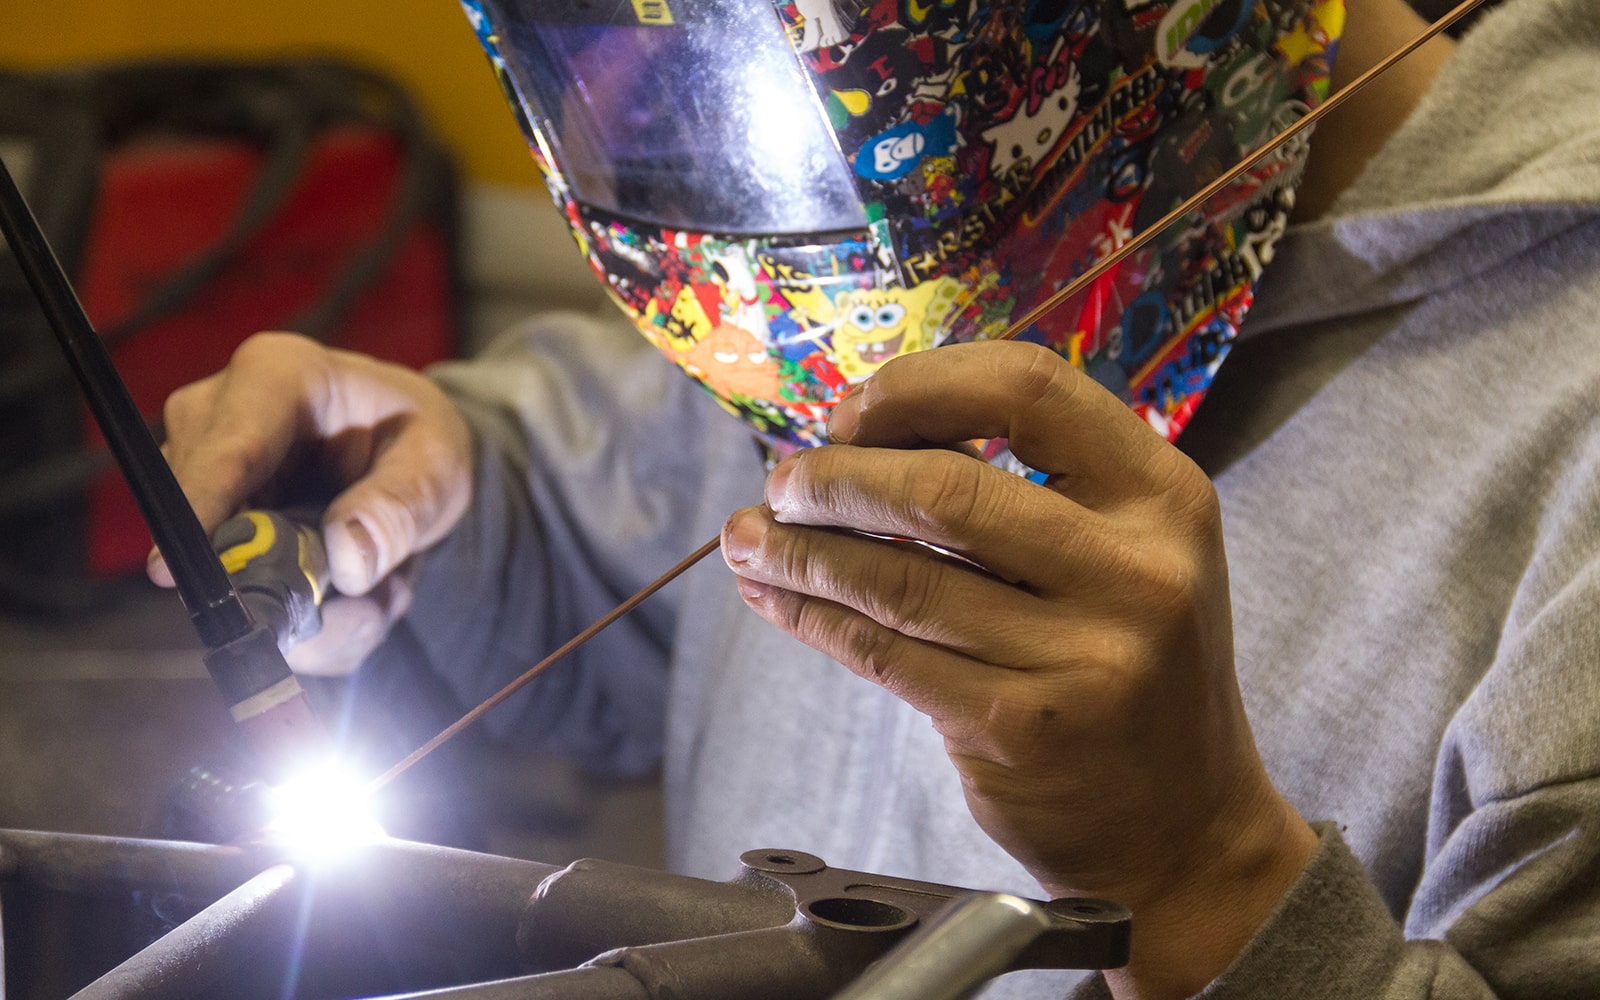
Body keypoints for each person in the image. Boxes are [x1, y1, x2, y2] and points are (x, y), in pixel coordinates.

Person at [152, 0, 1600, 996]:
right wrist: (432, 509)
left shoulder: (1565, 428)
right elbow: (638, 521)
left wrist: (1207, 876)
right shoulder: (813, 258)